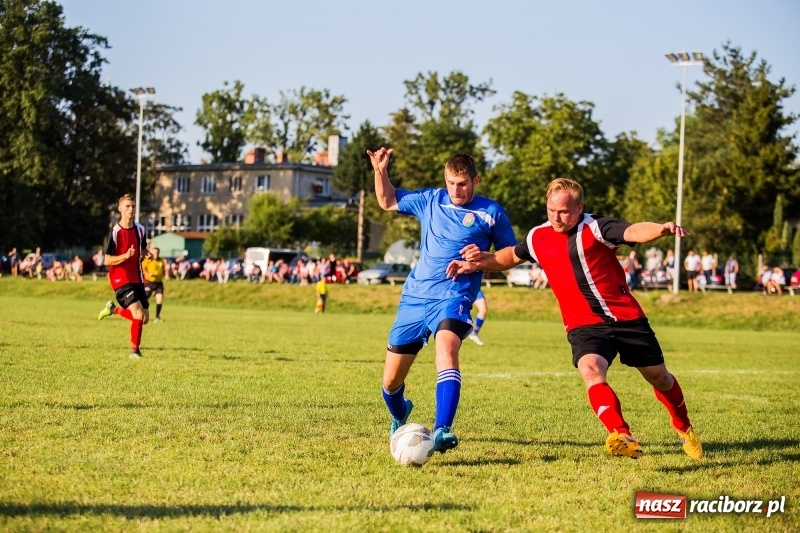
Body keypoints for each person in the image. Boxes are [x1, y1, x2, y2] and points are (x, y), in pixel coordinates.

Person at [446, 177, 702, 460]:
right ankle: (621, 433)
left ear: (580, 207)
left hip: (626, 318)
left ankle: (684, 427)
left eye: (565, 211)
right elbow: (509, 257)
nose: (557, 217)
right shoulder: (537, 236)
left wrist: (660, 229)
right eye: (551, 210)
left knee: (660, 378)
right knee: (591, 369)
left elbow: (632, 231)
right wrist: (477, 263)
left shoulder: (596, 227)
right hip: (584, 324)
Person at [367, 147, 516, 454]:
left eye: (462, 183)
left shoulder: (491, 212)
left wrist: (480, 261)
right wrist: (380, 171)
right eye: (451, 182)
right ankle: (399, 413)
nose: (456, 189)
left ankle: (442, 429)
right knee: (391, 382)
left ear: (475, 180)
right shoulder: (431, 200)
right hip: (414, 298)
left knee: (446, 350)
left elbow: (509, 256)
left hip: (453, 297)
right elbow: (387, 200)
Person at [97, 194, 151, 358]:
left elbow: (142, 249)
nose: (131, 209)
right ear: (120, 209)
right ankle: (135, 351)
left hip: (137, 277)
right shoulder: (116, 232)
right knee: (138, 315)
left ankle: (113, 309)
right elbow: (107, 259)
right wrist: (124, 256)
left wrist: (146, 253)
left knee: (145, 318)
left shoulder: (140, 229)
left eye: (133, 206)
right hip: (121, 278)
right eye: (127, 206)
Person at [142, 247, 168, 322]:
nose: (156, 254)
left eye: (157, 252)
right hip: (148, 282)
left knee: (159, 299)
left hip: (158, 283)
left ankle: (157, 317)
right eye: (154, 252)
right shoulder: (147, 260)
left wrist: (163, 275)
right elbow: (143, 270)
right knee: (145, 297)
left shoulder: (162, 261)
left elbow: (163, 270)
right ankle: (139, 313)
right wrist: (149, 274)